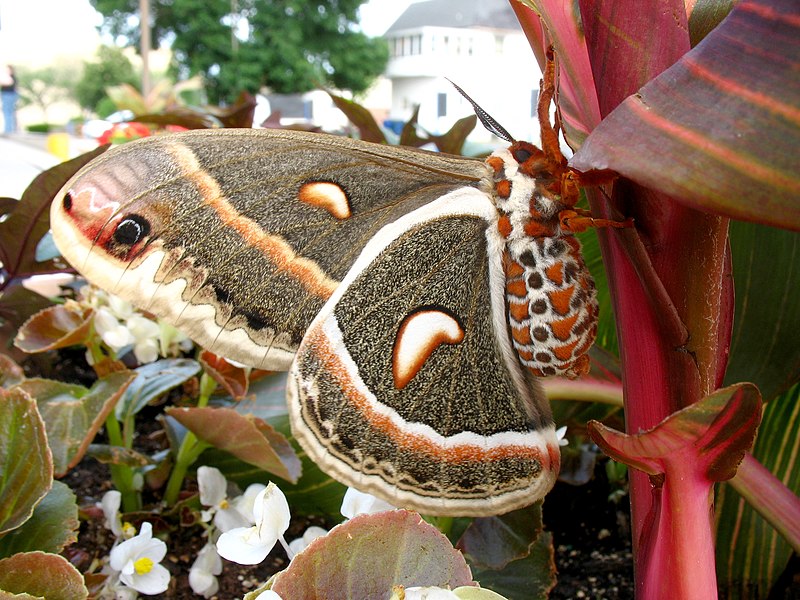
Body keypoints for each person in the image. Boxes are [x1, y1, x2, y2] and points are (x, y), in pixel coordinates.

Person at [1, 65, 18, 134]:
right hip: (8, 95)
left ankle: (8, 130)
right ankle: (10, 129)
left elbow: (7, 82)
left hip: (8, 95)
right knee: (9, 112)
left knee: (7, 112)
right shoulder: (11, 77)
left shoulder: (10, 78)